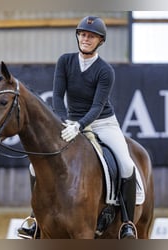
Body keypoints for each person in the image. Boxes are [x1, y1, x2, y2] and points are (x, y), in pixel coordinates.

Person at [18, 16, 137, 239]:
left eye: (91, 36)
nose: (85, 38)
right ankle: (35, 217)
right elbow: (57, 96)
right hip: (70, 122)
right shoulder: (65, 61)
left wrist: (81, 125)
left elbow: (97, 106)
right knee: (36, 167)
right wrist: (65, 122)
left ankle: (127, 223)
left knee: (126, 164)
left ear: (100, 41)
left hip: (102, 123)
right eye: (82, 34)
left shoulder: (105, 71)